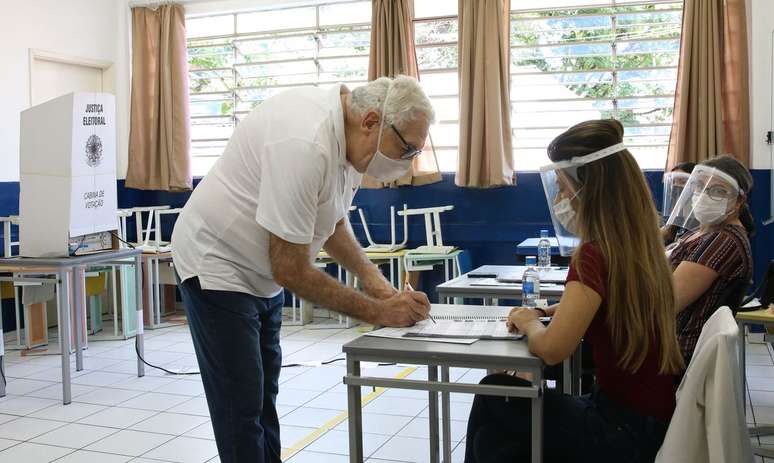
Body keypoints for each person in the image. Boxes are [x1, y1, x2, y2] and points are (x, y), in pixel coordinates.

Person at [171, 75, 433, 463]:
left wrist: (379, 286)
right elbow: (290, 269)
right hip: (217, 263)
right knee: (240, 409)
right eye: (407, 148)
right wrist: (379, 312)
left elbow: (331, 222)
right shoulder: (304, 141)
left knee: (264, 400)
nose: (407, 161)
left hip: (259, 273)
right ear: (371, 121)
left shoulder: (347, 142)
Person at [464, 119, 684, 463]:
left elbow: (552, 350)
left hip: (617, 429)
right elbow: (612, 307)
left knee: (494, 394)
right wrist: (554, 312)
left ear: (589, 189)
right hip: (650, 421)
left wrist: (527, 320)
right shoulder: (641, 246)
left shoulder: (594, 253)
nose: (560, 197)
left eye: (564, 186)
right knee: (493, 441)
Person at [665, 155, 754, 364]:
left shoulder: (723, 240)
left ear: (739, 200)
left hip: (675, 354)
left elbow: (666, 303)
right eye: (699, 187)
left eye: (717, 191)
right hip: (664, 344)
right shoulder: (701, 232)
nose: (703, 195)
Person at [661, 161, 696, 244]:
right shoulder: (676, 217)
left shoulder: (699, 220)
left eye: (682, 181)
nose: (675, 186)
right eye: (673, 182)